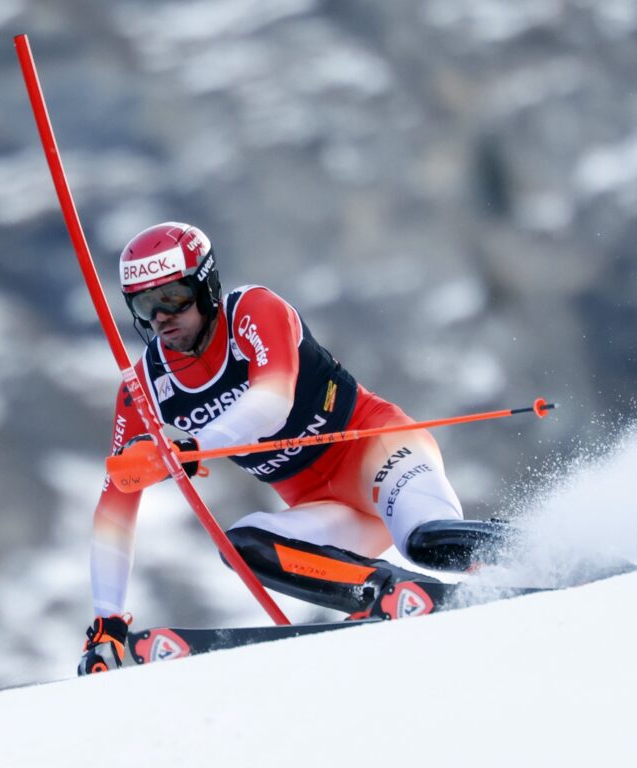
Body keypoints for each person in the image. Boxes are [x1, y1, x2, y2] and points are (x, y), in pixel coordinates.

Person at [78, 222, 499, 676]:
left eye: (173, 297)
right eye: (145, 305)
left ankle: (545, 548)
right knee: (240, 546)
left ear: (206, 285)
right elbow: (115, 507)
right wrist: (108, 621)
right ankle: (388, 590)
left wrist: (196, 443)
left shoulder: (254, 311)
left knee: (426, 541)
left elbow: (271, 403)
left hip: (378, 452)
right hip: (323, 505)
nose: (161, 317)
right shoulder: (145, 389)